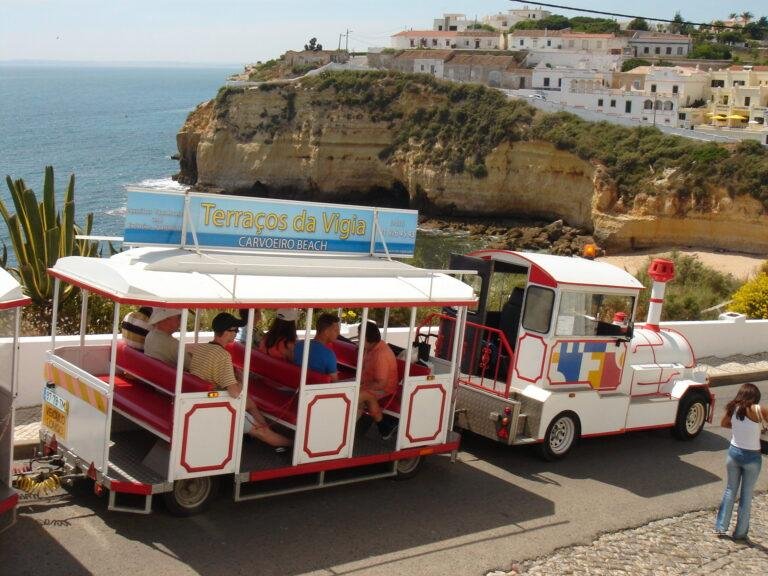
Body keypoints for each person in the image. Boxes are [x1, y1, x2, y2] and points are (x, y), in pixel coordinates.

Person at [189, 312, 291, 448]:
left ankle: (265, 430)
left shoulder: (202, 348)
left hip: (201, 400)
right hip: (218, 406)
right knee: (261, 430)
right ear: (225, 332)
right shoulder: (223, 355)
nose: (236, 333)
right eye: (234, 330)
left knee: (250, 404)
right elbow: (235, 393)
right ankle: (292, 445)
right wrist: (242, 379)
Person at [714, 383, 767, 541]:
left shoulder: (734, 408)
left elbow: (724, 423)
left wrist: (739, 428)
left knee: (730, 490)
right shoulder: (759, 410)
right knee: (746, 494)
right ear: (755, 397)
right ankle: (740, 533)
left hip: (734, 453)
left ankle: (721, 527)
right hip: (752, 457)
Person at [357, 321, 398, 440]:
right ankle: (382, 427)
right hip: (370, 383)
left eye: (360, 336)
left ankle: (382, 426)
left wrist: (362, 386)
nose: (358, 338)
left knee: (358, 396)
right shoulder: (371, 348)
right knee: (357, 396)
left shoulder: (381, 354)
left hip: (385, 388)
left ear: (367, 337)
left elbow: (381, 383)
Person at [293, 312, 339, 381]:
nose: (338, 333)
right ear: (326, 332)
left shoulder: (299, 345)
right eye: (336, 330)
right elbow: (335, 383)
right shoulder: (328, 354)